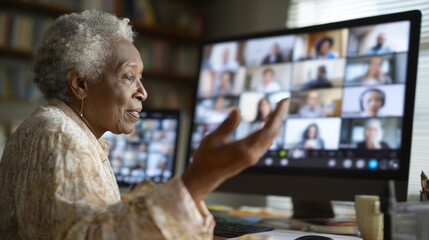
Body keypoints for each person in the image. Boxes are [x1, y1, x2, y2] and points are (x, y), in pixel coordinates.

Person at [0, 10, 290, 240]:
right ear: (80, 84)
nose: (143, 92)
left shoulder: (69, 131)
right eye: (128, 77)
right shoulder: (57, 131)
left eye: (140, 78)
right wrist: (199, 179)